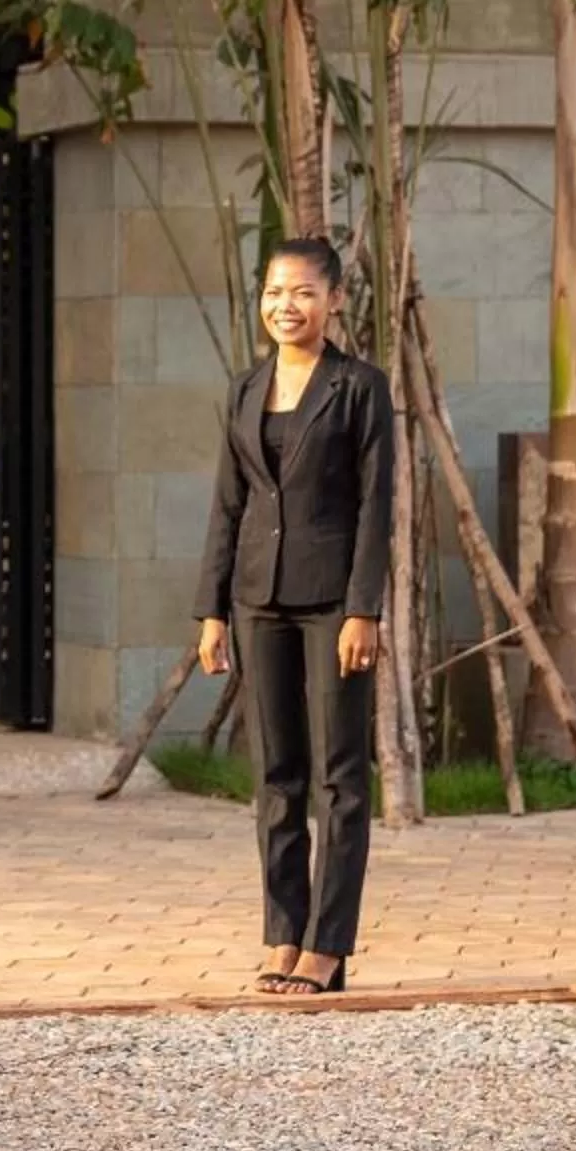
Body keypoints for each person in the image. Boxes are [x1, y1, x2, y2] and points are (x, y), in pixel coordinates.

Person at [191, 235, 393, 998]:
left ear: (334, 300)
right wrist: (212, 610)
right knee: (275, 776)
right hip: (257, 600)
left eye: (303, 292)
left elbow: (376, 505)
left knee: (339, 778)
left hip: (333, 602)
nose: (286, 305)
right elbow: (228, 504)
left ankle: (326, 946)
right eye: (275, 292)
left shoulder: (360, 387)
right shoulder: (246, 389)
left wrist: (363, 609)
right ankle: (283, 932)